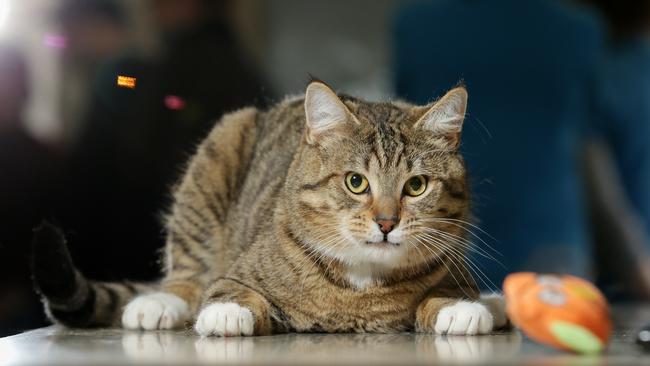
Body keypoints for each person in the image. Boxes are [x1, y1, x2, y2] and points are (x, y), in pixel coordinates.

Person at [393, 0, 605, 288]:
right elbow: (590, 148)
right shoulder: (580, 29)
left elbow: (398, 130)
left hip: (441, 233)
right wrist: (636, 260)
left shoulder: (415, 25)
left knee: (450, 325)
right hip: (551, 244)